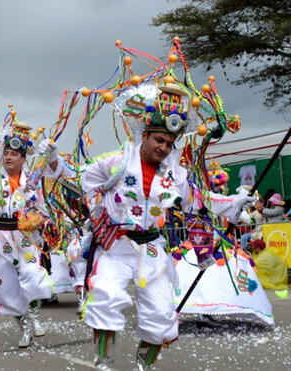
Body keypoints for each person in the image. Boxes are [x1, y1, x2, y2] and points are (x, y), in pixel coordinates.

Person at [80, 84, 256, 369]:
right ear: (145, 135)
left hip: (151, 249)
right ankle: (104, 363)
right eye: (159, 140)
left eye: (169, 143)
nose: (163, 147)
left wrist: (235, 200)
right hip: (116, 246)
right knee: (105, 298)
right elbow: (85, 181)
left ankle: (143, 366)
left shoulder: (174, 175)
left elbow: (197, 201)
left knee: (162, 317)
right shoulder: (115, 162)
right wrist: (99, 215)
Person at [0, 121, 62, 348]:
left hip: (23, 237)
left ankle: (35, 317)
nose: (9, 158)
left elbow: (42, 208)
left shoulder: (32, 181)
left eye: (14, 154)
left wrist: (40, 221)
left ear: (23, 159)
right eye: (6, 153)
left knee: (34, 276)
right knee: (6, 290)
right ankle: (24, 328)